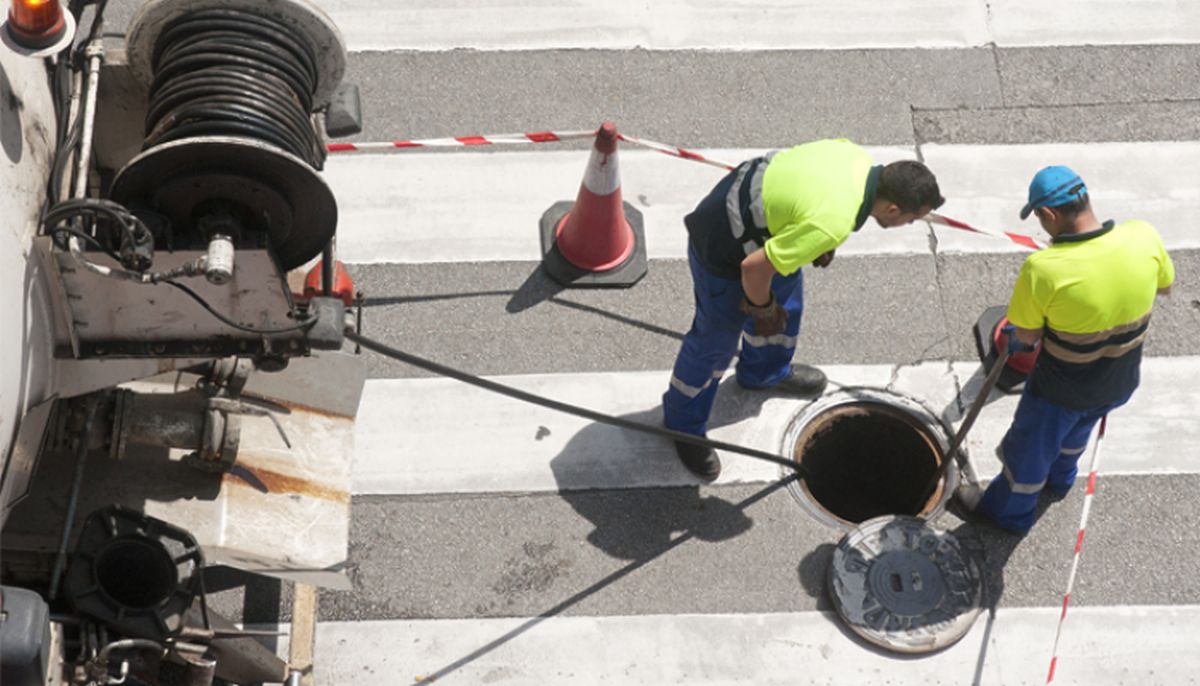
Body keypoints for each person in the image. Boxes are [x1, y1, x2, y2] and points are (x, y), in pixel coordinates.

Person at [662, 139, 944, 481]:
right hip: (722, 244)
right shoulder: (832, 221)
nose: (911, 225)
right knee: (714, 345)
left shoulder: (852, 156)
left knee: (787, 309)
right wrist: (762, 308)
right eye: (913, 219)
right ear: (893, 209)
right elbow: (753, 269)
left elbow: (808, 198)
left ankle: (764, 373)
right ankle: (682, 424)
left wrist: (814, 243)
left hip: (759, 226)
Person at [963, 165, 1175, 534]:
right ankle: (1060, 482)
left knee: (1027, 453)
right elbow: (1165, 287)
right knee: (1078, 433)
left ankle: (1008, 514)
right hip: (1119, 380)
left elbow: (1026, 336)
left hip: (1060, 391)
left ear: (1048, 214)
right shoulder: (1142, 236)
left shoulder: (1045, 269)